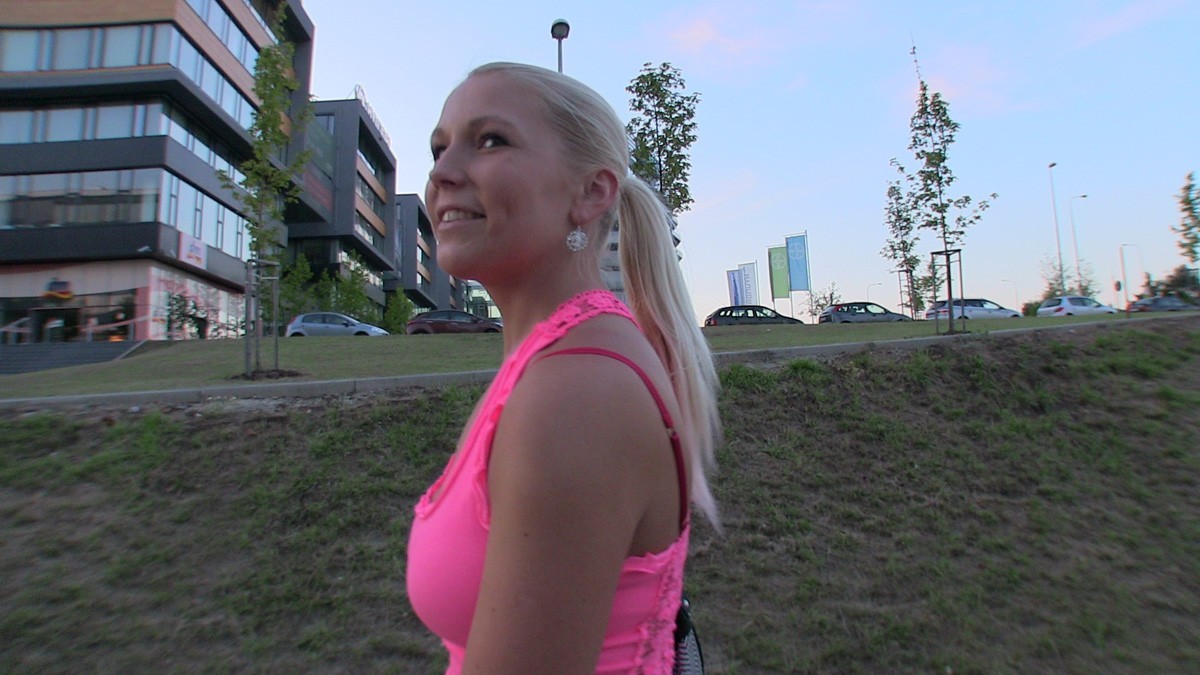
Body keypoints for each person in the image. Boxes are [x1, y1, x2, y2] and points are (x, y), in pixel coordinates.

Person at [406, 61, 721, 674]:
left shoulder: (576, 390)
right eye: (439, 148)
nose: (442, 173)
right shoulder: (557, 358)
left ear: (591, 193)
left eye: (490, 140)